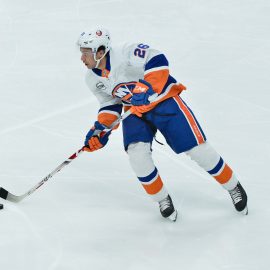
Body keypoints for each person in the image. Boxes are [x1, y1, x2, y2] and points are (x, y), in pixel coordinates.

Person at [77, 28, 248, 221]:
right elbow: (110, 104)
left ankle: (233, 186)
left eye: (86, 52)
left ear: (100, 51)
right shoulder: (92, 79)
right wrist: (101, 129)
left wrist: (146, 86)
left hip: (163, 101)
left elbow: (157, 58)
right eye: (81, 52)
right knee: (137, 155)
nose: (82, 58)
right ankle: (161, 199)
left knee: (197, 149)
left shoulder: (125, 52)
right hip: (135, 111)